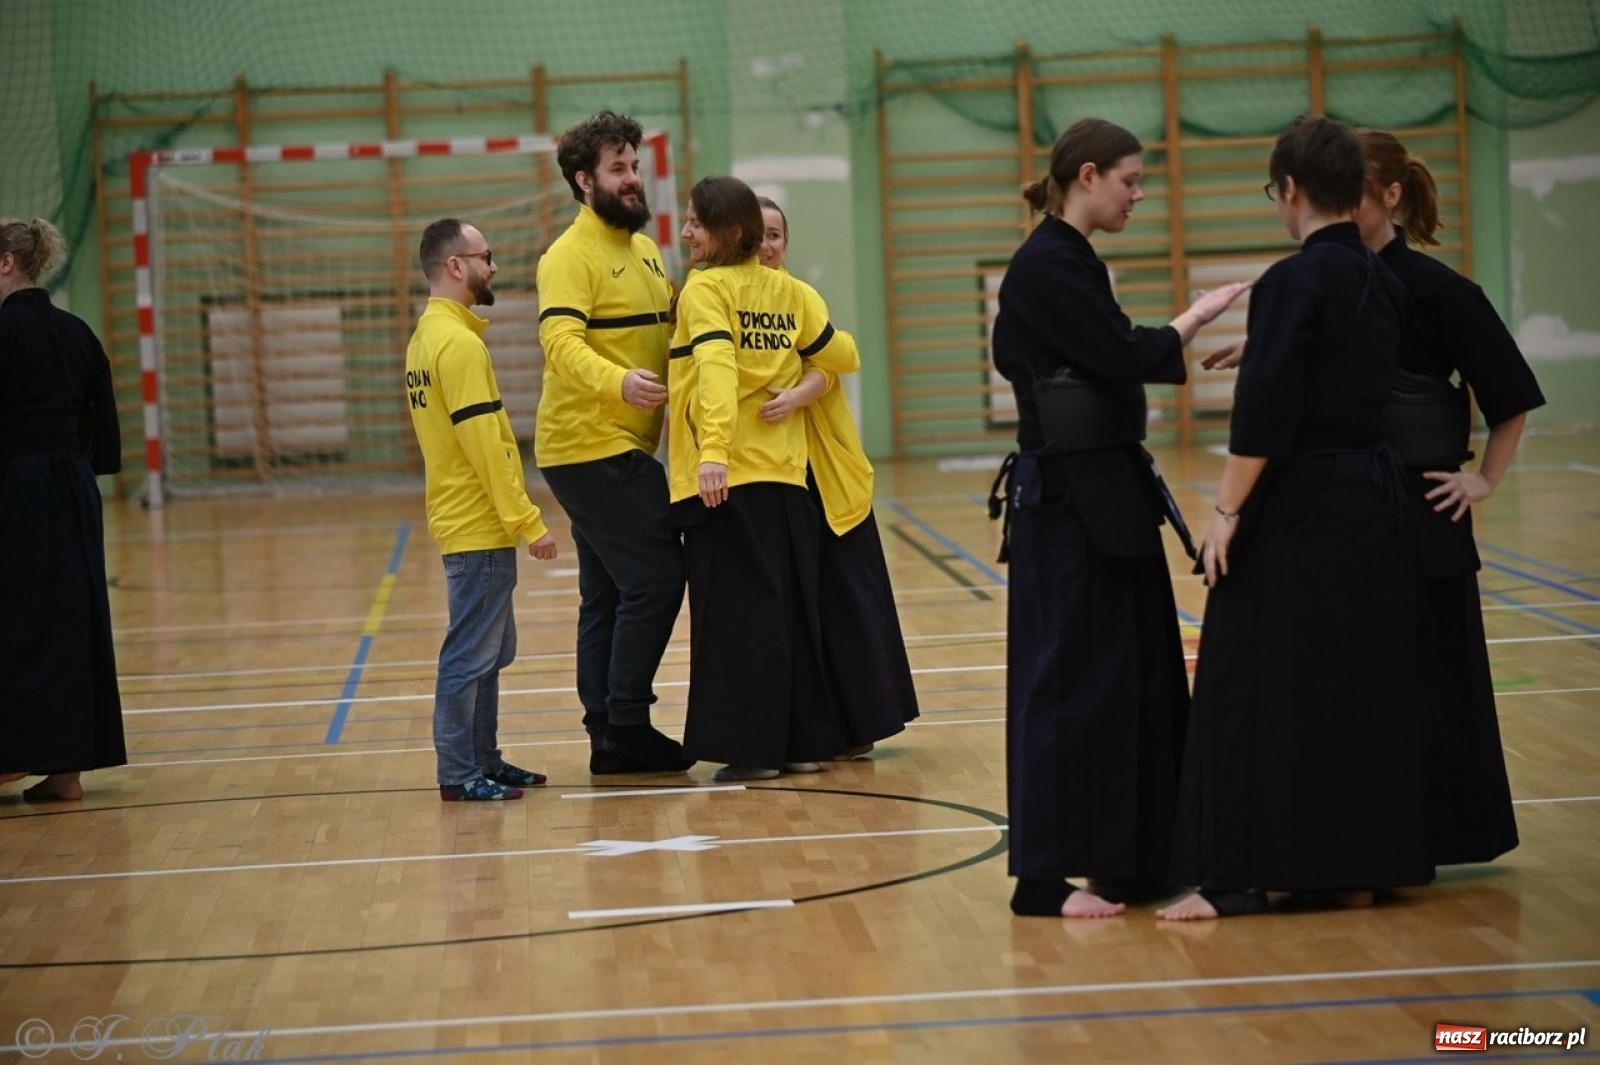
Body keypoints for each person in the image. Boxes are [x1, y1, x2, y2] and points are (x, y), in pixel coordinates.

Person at [1160, 116, 1433, 920]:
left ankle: (1234, 879)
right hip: (1372, 503)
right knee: (1356, 688)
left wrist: (1225, 512)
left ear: (1291, 191)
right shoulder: (1381, 278)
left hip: (1301, 506)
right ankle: (1351, 870)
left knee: (1247, 688)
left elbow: (1265, 419)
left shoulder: (1292, 282)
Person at [990, 119, 1249, 919]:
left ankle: (1133, 855)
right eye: (1131, 181)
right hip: (1069, 505)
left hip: (1106, 497)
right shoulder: (1046, 266)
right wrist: (1197, 315)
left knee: (1134, 679)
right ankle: (1040, 878)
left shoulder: (1069, 262)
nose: (1140, 195)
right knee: (1062, 685)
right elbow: (1128, 354)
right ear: (1089, 174)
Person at [1355, 128, 1544, 866]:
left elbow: (1511, 399)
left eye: (1354, 191)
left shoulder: (1444, 292)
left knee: (1438, 678)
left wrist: (1484, 479)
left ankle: (1447, 830)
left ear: (1391, 196)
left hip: (1425, 512)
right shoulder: (1325, 287)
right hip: (1347, 517)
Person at [667, 176, 861, 782]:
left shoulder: (706, 290)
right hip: (787, 475)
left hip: (727, 477)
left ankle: (753, 752)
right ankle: (801, 745)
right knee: (791, 614)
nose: (687, 232)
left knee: (736, 619)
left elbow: (718, 369)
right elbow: (843, 355)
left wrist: (714, 453)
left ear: (728, 231)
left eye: (697, 221)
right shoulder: (791, 292)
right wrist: (801, 383)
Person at [535, 111, 693, 775]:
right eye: (618, 169)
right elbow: (560, 342)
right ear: (583, 180)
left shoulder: (647, 249)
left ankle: (606, 731)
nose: (632, 179)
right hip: (589, 445)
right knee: (657, 578)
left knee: (606, 592)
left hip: (620, 443)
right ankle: (627, 719)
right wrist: (617, 381)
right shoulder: (568, 256)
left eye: (634, 166)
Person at [752, 196, 919, 758]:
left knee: (851, 601)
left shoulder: (800, 297)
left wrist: (798, 394)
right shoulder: (728, 302)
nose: (767, 245)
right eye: (757, 234)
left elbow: (839, 357)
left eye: (775, 234)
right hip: (776, 476)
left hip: (827, 471)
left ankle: (864, 721)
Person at [407, 218, 558, 801]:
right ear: (455, 265)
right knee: (470, 654)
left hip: (470, 520)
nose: (493, 267)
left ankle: (484, 759)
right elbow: (487, 447)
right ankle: (458, 771)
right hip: (477, 523)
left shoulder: (429, 337)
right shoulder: (457, 344)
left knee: (493, 651)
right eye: (485, 256)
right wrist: (527, 522)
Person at [0, 217, 126, 802]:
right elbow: (102, 434)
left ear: (6, 263)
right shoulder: (79, 332)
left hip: (16, 485)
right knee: (75, 620)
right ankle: (66, 771)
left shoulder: (4, 333)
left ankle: (9, 757)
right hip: (74, 488)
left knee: (16, 617)